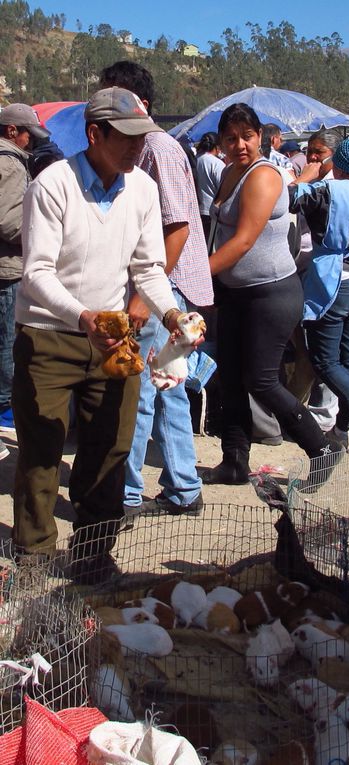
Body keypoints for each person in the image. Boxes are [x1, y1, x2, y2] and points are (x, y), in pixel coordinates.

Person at [11, 87, 194, 581]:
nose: (139, 148)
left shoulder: (142, 189)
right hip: (49, 333)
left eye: (143, 137)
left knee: (111, 446)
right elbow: (37, 274)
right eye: (128, 138)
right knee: (42, 449)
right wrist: (82, 318)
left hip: (113, 334)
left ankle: (94, 550)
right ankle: (34, 552)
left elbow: (149, 268)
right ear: (95, 134)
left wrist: (173, 316)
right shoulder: (53, 185)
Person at [204, 103, 344, 488]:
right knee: (230, 377)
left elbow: (245, 240)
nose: (240, 145)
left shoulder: (264, 176)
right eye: (231, 138)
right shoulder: (230, 172)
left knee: (261, 379)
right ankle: (233, 461)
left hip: (270, 294)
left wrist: (196, 275)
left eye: (247, 137)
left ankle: (321, 447)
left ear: (260, 138)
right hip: (235, 294)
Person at [100, 61, 213, 521]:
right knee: (168, 390)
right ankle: (184, 487)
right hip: (163, 291)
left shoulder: (157, 148)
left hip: (162, 291)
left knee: (141, 392)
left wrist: (143, 299)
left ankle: (127, 494)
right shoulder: (151, 146)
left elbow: (178, 228)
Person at [289, 137, 349, 449]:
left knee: (324, 360)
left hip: (335, 281)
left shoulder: (331, 190)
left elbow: (287, 198)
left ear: (340, 164)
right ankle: (342, 428)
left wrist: (305, 176)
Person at [0, 103, 49, 433]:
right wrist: (40, 229)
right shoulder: (11, 164)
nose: (32, 141)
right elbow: (7, 221)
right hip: (9, 268)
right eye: (28, 133)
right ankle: (5, 408)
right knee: (8, 343)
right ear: (12, 131)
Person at [195, 131, 225, 242]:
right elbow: (223, 187)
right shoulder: (216, 164)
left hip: (196, 210)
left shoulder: (194, 160)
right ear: (217, 147)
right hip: (211, 212)